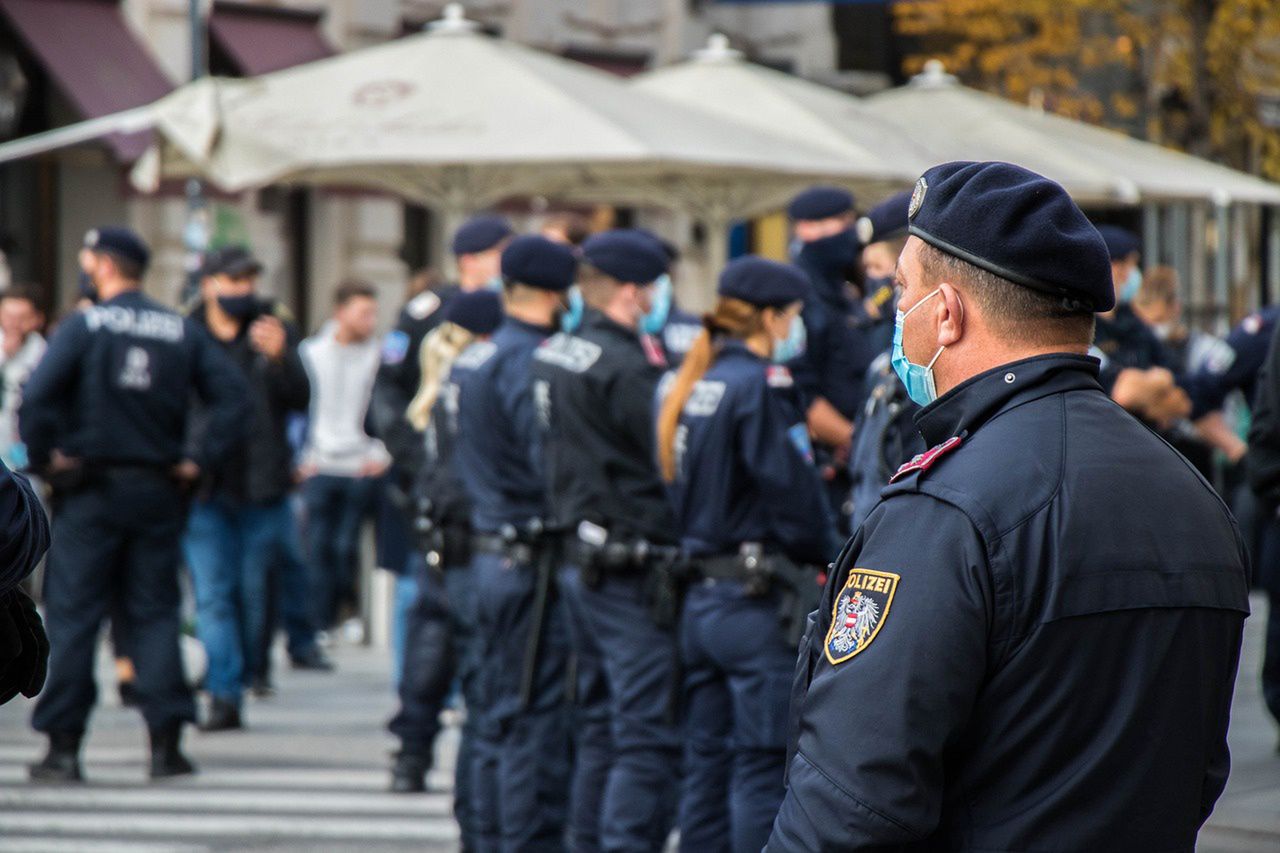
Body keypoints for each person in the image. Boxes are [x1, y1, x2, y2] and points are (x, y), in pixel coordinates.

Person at [767, 162, 1250, 850]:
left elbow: (849, 805)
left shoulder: (946, 510)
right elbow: (1199, 768)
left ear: (947, 311)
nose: (893, 313)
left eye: (902, 290)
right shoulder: (1191, 496)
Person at [23, 227, 248, 782]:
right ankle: (167, 745)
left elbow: (37, 397)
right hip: (156, 488)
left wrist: (47, 458)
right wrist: (198, 457)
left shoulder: (85, 325)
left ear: (101, 265)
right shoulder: (178, 328)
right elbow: (234, 398)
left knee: (74, 617)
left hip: (91, 490)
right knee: (154, 614)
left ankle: (63, 747)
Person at [656, 255, 837, 853]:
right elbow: (794, 496)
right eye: (791, 317)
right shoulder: (762, 384)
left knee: (705, 769)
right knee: (761, 770)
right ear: (767, 317)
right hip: (756, 605)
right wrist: (831, 555)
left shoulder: (697, 382)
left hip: (703, 602)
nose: (794, 329)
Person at [531, 230, 682, 851]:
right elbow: (662, 463)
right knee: (645, 734)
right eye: (647, 290)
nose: (652, 300)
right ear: (628, 292)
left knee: (598, 725)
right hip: (627, 564)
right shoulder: (627, 368)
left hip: (578, 556)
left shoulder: (556, 351)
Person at [454, 234, 577, 851]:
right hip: (528, 559)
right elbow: (546, 466)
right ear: (556, 293)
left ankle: (481, 836)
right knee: (533, 722)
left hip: (485, 551)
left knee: (490, 717)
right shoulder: (531, 360)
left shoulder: (475, 355)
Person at [183, 245, 327, 733]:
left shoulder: (271, 329)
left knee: (250, 595)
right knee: (214, 596)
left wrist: (283, 357)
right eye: (233, 281)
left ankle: (240, 675)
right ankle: (224, 693)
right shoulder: (188, 334)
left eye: (249, 281)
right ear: (210, 284)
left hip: (263, 487)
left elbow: (303, 399)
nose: (243, 291)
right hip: (205, 487)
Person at [387, 289, 502, 809]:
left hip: (438, 533)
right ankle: (418, 755)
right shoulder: (477, 381)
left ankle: (412, 753)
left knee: (429, 649)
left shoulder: (444, 383)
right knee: (464, 662)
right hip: (468, 538)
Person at [298, 280, 390, 634]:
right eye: (363, 312)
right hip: (319, 463)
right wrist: (301, 457)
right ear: (341, 312)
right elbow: (299, 409)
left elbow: (387, 409)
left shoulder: (379, 354)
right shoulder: (311, 353)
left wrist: (380, 454)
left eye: (373, 313)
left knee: (345, 547)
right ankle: (321, 621)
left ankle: (348, 611)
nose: (371, 320)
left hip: (360, 465)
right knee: (317, 546)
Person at [787, 187, 879, 527]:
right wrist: (858, 442)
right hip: (833, 466)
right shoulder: (800, 296)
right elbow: (800, 392)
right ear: (807, 230)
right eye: (839, 223)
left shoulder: (841, 290)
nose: (848, 233)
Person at [0, 286, 46, 471]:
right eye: (8, 317)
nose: (13, 325)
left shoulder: (44, 353)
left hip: (24, 452)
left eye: (21, 319)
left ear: (37, 319)